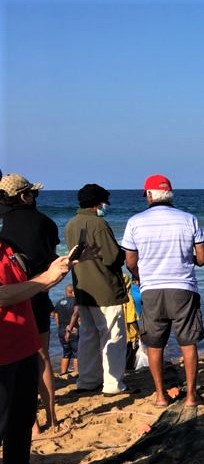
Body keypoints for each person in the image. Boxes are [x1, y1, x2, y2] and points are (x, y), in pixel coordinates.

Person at [122, 174, 204, 407]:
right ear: (169, 194)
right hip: (183, 288)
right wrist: (186, 257)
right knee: (188, 344)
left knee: (154, 344)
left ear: (149, 195)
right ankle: (191, 396)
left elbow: (130, 261)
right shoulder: (189, 219)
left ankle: (160, 396)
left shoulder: (135, 222)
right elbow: (202, 258)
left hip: (152, 289)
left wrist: (140, 276)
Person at [0, 248, 71, 464]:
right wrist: (44, 279)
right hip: (2, 354)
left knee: (21, 421)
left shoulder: (6, 248)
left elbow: (25, 288)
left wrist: (57, 271)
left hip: (25, 348)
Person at [0, 173, 60, 431]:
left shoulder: (4, 226)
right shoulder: (43, 222)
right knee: (42, 357)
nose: (36, 197)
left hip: (8, 302)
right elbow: (50, 260)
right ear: (24, 196)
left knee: (13, 363)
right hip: (36, 293)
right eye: (33, 193)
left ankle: (31, 422)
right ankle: (52, 416)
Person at [65, 183, 130, 395]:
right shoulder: (98, 224)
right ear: (96, 204)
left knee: (88, 337)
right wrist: (123, 252)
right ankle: (112, 384)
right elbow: (111, 257)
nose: (105, 206)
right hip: (104, 288)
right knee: (113, 336)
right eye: (103, 203)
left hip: (82, 288)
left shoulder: (71, 224)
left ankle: (87, 380)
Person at [53, 284, 79, 377]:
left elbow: (55, 316)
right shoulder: (76, 302)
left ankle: (63, 373)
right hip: (73, 329)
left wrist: (59, 327)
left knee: (66, 353)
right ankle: (77, 373)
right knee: (77, 353)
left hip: (61, 330)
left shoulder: (59, 302)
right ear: (72, 292)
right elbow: (77, 315)